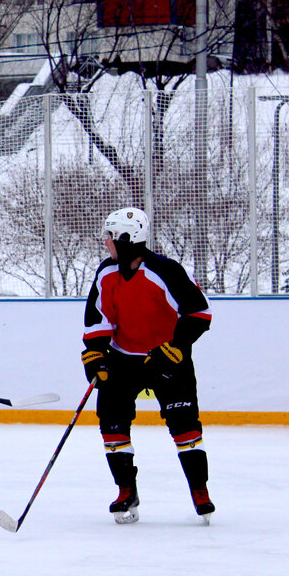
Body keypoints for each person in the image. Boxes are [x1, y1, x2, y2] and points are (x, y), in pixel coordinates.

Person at [81, 207, 215, 524]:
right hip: (123, 358)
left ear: (126, 239)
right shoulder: (106, 274)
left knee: (184, 425)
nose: (106, 243)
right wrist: (96, 355)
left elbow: (199, 313)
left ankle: (200, 491)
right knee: (112, 423)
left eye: (110, 237)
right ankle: (126, 490)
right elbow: (97, 321)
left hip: (166, 356)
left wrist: (178, 346)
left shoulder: (165, 270)